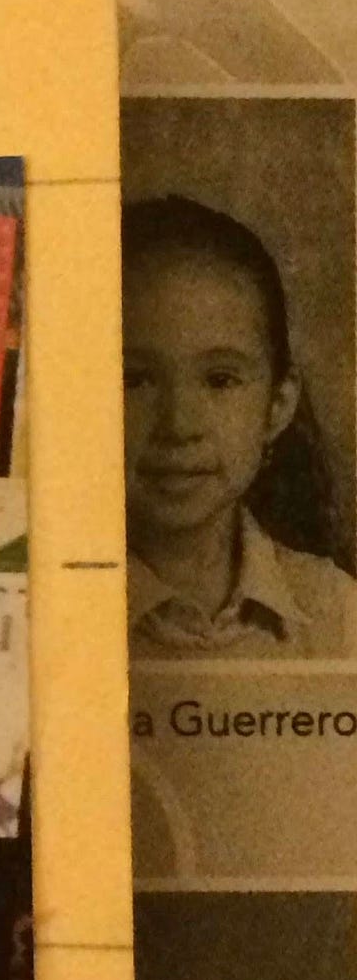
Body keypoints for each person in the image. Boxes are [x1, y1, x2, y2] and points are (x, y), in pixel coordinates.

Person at [123, 195, 357, 659]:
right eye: (136, 379)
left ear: (278, 404)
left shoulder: (337, 614)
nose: (179, 425)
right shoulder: (43, 601)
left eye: (221, 380)